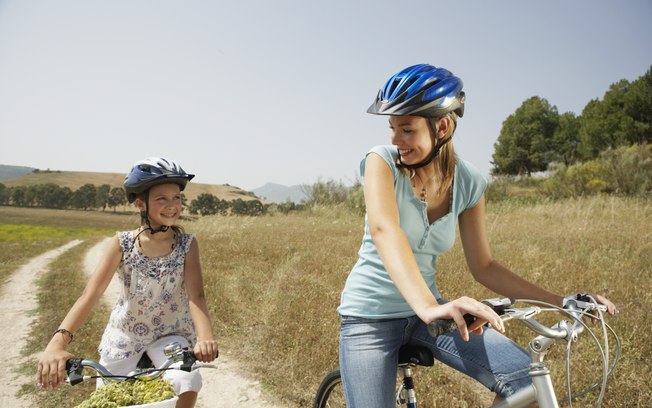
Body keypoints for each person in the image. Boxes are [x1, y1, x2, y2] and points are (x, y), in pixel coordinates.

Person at [336, 64, 618, 407]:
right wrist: (427, 307)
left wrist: (562, 302)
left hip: (429, 315)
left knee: (526, 385)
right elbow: (384, 230)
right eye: (392, 128)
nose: (396, 139)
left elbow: (484, 266)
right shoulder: (382, 161)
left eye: (407, 129)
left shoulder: (469, 183)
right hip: (369, 317)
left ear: (441, 126)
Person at [37, 157, 218, 408]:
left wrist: (205, 338)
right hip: (125, 335)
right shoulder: (122, 243)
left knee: (187, 381)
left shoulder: (187, 244)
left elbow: (196, 296)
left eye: (177, 198)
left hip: (171, 334)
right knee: (108, 399)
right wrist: (58, 341)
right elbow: (91, 294)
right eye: (161, 198)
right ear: (140, 203)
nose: (172, 205)